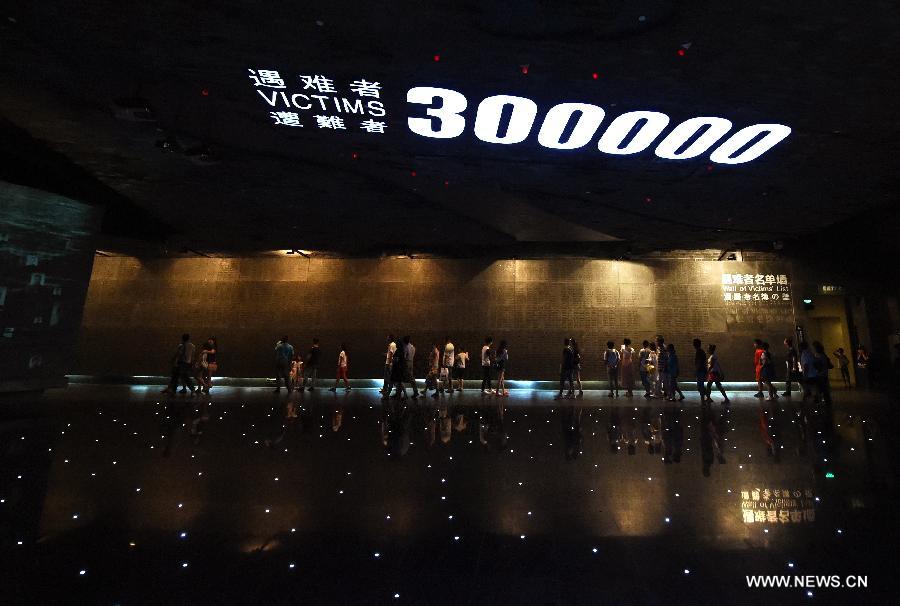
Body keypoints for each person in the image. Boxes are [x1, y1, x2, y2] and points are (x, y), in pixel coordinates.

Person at [814, 341, 833, 406]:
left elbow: (817, 366)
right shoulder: (824, 355)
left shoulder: (817, 356)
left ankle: (819, 402)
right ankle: (827, 402)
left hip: (819, 375)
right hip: (824, 374)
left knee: (819, 389)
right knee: (825, 390)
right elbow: (829, 365)